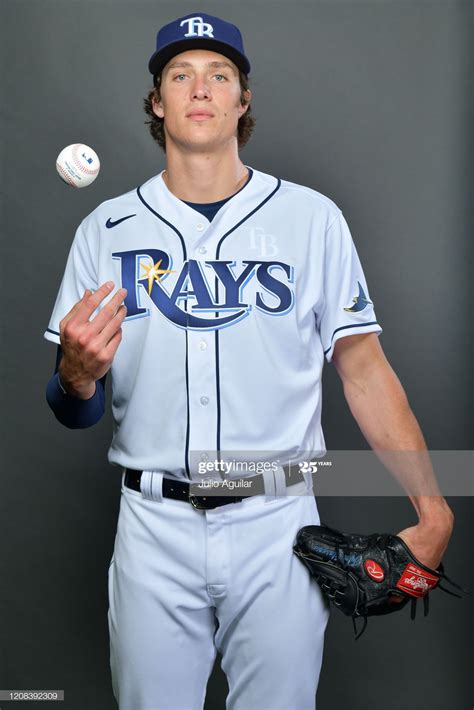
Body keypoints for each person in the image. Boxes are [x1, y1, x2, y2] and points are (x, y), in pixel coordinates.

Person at [44, 12, 454, 710]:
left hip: (280, 524)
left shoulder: (311, 219)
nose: (200, 88)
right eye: (180, 75)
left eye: (219, 75)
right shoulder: (104, 230)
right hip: (153, 527)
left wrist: (434, 507)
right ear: (157, 101)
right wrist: (77, 373)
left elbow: (364, 372)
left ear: (243, 100)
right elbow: (71, 408)